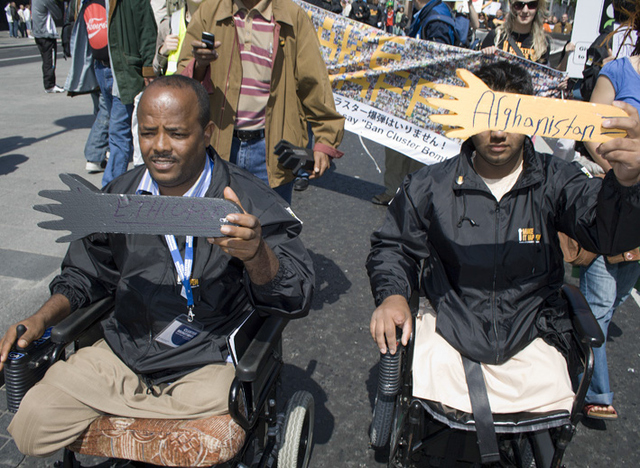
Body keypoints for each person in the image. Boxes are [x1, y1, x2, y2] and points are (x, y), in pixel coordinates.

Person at [1, 75, 314, 457]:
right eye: (148, 133)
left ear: (207, 133)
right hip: (126, 351)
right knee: (32, 424)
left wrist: (256, 254)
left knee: (203, 437)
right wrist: (41, 318)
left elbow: (297, 294)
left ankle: (143, 425)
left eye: (177, 133)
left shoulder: (250, 201)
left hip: (206, 360)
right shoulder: (118, 196)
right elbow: (85, 274)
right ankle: (149, 423)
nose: (160, 147)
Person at [367, 61, 640, 426]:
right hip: (452, 325)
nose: (497, 132)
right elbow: (394, 245)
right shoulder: (430, 185)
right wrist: (392, 294)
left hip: (532, 331)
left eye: (510, 116)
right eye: (486, 115)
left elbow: (607, 233)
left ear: (530, 118)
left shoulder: (557, 180)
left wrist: (626, 185)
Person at [176, 0, 345, 205]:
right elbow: (182, 78)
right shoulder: (210, 11)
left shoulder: (291, 16)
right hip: (218, 147)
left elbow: (314, 82)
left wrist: (325, 140)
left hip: (271, 150)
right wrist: (200, 64)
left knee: (272, 232)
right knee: (217, 230)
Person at [578, 18, 640, 420]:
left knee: (616, 295)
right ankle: (596, 390)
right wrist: (623, 167)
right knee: (597, 302)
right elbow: (591, 132)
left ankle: (574, 349)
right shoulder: (618, 72)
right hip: (615, 201)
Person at [66, 0, 156, 187]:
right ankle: (99, 159)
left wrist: (148, 68)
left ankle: (110, 185)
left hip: (122, 72)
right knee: (107, 117)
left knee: (118, 131)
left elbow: (147, 31)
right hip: (100, 69)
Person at [481, 0, 550, 65]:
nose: (525, 10)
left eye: (531, 5)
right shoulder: (496, 36)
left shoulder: (543, 43)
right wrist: (486, 56)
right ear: (511, 6)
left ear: (537, 7)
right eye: (519, 5)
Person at [31, 0, 64, 93]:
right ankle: (50, 85)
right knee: (50, 60)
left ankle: (49, 83)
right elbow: (58, 15)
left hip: (38, 34)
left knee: (45, 60)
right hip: (46, 34)